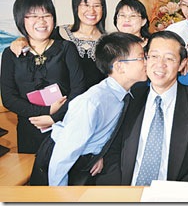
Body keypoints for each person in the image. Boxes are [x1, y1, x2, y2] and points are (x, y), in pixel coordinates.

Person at [96, 30, 188, 186]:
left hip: (177, 193)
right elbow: (112, 149)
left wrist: (176, 191)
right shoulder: (130, 97)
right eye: (154, 56)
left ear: (182, 64)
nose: (160, 64)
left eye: (169, 58)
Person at [30, 32, 147, 186]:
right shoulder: (92, 103)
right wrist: (58, 195)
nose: (147, 62)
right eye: (141, 58)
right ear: (119, 67)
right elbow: (63, 156)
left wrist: (99, 153)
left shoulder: (124, 94)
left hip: (86, 158)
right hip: (59, 161)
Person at [0, 0, 86, 154]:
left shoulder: (66, 48)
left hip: (65, 126)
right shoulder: (11, 54)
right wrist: (45, 113)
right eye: (33, 16)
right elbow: (9, 98)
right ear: (21, 20)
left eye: (47, 15)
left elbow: (79, 90)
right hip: (29, 131)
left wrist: (55, 117)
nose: (41, 21)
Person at [10, 0, 107, 89]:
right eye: (86, 5)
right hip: (62, 102)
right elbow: (36, 40)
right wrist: (21, 40)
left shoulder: (109, 42)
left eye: (97, 6)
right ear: (76, 6)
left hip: (97, 102)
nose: (91, 10)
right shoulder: (58, 33)